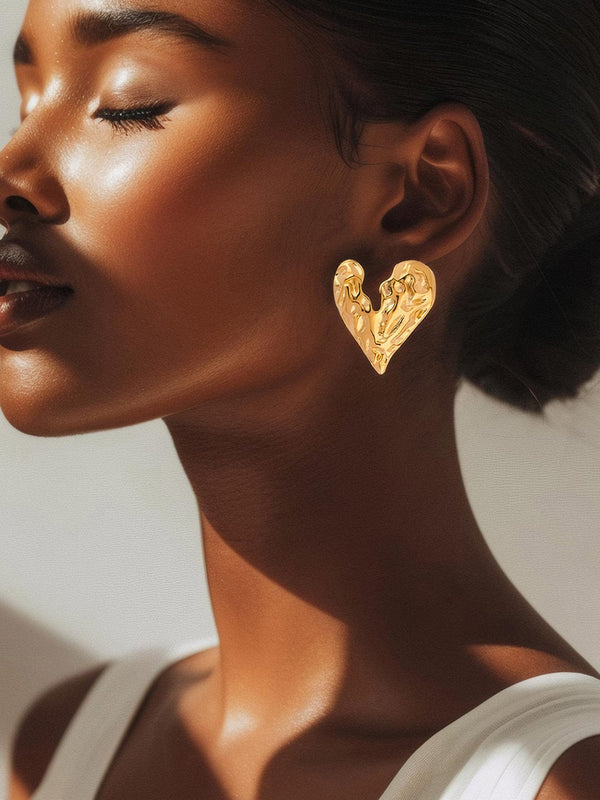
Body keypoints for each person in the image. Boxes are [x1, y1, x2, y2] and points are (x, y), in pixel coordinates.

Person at [2, 0, 600, 798]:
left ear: (420, 193)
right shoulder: (66, 741)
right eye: (26, 104)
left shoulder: (553, 782)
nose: (13, 170)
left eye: (128, 104)